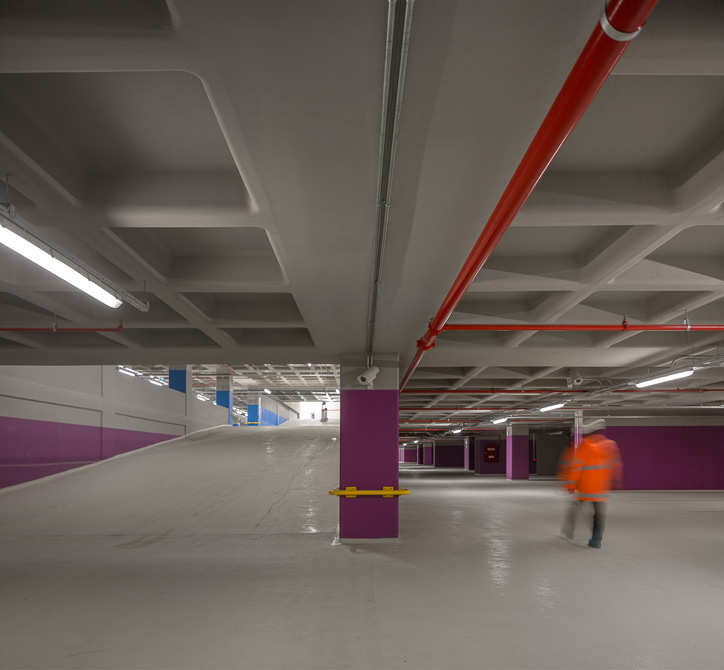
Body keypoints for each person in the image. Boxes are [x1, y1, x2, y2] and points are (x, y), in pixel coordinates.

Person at [561, 419, 622, 548]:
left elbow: (576, 468)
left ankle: (569, 530)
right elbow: (616, 465)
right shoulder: (610, 445)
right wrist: (616, 479)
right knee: (599, 515)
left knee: (574, 507)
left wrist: (571, 486)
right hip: (601, 489)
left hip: (585, 489)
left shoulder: (585, 446)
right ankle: (596, 540)